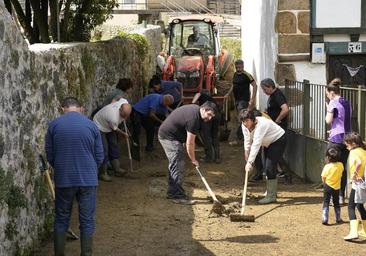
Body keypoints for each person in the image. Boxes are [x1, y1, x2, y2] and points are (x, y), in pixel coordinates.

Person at [45, 97, 104, 256]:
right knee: (87, 220)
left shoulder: (54, 125)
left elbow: (50, 155)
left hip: (64, 179)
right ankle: (86, 254)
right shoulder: (91, 126)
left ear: (62, 108)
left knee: (61, 218)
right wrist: (90, 169)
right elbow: (100, 156)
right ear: (81, 108)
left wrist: (61, 167)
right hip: (88, 180)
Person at [158, 102, 217, 204]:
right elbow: (190, 143)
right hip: (168, 137)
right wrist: (193, 159)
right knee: (177, 162)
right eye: (209, 114)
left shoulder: (197, 112)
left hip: (174, 136)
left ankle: (173, 191)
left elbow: (186, 132)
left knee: (177, 162)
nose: (210, 118)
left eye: (212, 116)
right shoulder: (194, 119)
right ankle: (176, 195)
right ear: (203, 110)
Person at [240, 109, 286, 204]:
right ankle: (270, 191)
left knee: (270, 166)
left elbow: (256, 144)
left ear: (252, 119)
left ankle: (271, 196)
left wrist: (250, 162)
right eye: (243, 121)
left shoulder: (262, 125)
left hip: (278, 139)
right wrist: (246, 153)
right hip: (267, 142)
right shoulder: (244, 126)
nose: (245, 123)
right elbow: (247, 140)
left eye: (247, 121)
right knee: (266, 166)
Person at [325, 78, 352, 204]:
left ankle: (332, 197)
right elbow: (343, 120)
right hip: (347, 140)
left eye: (327, 94)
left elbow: (328, 120)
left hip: (335, 139)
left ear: (331, 93)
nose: (327, 96)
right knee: (342, 168)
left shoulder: (332, 102)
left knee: (332, 166)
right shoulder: (347, 102)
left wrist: (327, 110)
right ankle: (341, 196)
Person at [93, 98, 132, 182]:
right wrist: (124, 134)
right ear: (120, 109)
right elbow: (115, 129)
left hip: (108, 125)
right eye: (123, 115)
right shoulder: (113, 117)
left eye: (126, 116)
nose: (124, 117)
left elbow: (119, 98)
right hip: (99, 126)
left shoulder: (124, 102)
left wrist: (113, 102)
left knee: (114, 145)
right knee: (104, 149)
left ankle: (116, 168)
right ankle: (102, 173)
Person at [260, 78, 290, 179]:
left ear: (270, 87)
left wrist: (277, 120)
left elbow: (285, 109)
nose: (264, 92)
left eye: (264, 89)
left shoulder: (277, 95)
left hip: (278, 129)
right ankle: (278, 171)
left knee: (274, 151)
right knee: (271, 150)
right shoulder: (273, 95)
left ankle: (284, 172)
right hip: (274, 128)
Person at [225, 59, 258, 145]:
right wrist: (228, 93)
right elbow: (233, 85)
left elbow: (255, 85)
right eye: (237, 67)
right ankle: (244, 136)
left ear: (243, 66)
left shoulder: (246, 75)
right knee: (239, 118)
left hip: (244, 100)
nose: (238, 68)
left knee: (242, 118)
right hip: (237, 99)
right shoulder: (235, 74)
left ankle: (241, 138)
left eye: (240, 67)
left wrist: (253, 99)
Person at [343, 132, 366, 241]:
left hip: (358, 183)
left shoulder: (354, 152)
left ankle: (353, 232)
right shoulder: (363, 150)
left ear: (352, 143)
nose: (345, 144)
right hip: (364, 182)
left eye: (347, 143)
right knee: (360, 206)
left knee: (351, 206)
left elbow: (359, 163)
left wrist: (354, 175)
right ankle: (365, 230)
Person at [192, 90, 221, 163]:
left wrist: (193, 103)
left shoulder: (200, 94)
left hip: (207, 115)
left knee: (206, 136)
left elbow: (197, 95)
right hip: (216, 115)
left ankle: (209, 157)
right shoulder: (211, 99)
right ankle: (217, 157)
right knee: (214, 136)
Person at [321, 147, 344, 225]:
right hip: (337, 187)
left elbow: (323, 177)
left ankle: (325, 218)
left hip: (327, 186)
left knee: (326, 202)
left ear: (328, 157)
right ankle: (338, 218)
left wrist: (324, 184)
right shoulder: (341, 165)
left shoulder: (327, 166)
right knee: (336, 203)